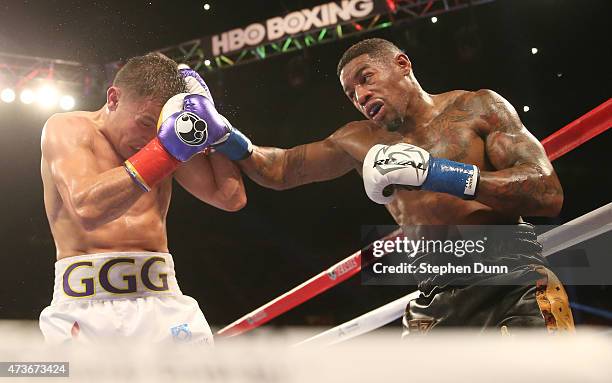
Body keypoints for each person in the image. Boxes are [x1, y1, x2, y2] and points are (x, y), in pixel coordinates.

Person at [235, 38, 574, 335]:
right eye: (351, 93)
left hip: (511, 281)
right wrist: (225, 137)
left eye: (366, 79)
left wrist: (440, 173)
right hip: (435, 300)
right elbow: (279, 169)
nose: (361, 95)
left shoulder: (476, 108)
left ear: (401, 64)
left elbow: (547, 192)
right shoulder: (358, 141)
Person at [39, 53, 251, 344]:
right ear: (113, 98)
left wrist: (210, 126)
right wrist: (165, 150)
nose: (151, 136)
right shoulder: (68, 128)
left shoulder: (163, 138)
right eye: (145, 122)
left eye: (160, 127)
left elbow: (230, 197)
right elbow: (88, 209)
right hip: (85, 309)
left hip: (163, 301)